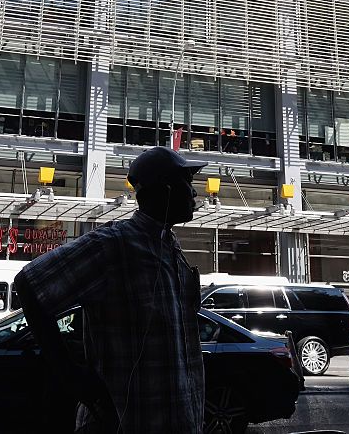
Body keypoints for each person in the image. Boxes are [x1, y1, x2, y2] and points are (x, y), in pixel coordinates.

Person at [14, 146, 207, 432]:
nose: (194, 194)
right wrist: (71, 375)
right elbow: (29, 283)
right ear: (165, 189)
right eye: (187, 183)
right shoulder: (114, 244)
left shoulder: (171, 247)